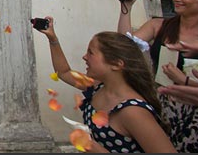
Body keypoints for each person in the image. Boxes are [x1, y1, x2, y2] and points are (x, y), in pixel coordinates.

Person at [36, 17, 176, 153]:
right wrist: (53, 39)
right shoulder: (99, 86)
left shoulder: (133, 112)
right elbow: (64, 72)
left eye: (91, 53)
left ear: (116, 64)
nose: (84, 57)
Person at [117, 0, 198, 152]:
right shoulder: (159, 25)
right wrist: (126, 9)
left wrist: (183, 80)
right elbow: (125, 46)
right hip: (164, 107)